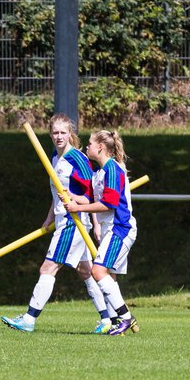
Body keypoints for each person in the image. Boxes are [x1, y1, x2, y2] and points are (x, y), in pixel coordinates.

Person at [1, 114, 113, 333]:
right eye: (55, 133)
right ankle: (107, 319)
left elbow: (91, 198)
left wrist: (85, 213)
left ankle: (29, 319)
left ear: (70, 133)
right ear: (50, 134)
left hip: (74, 223)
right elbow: (56, 193)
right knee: (85, 271)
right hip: (62, 219)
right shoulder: (54, 156)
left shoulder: (78, 160)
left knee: (48, 267)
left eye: (63, 132)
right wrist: (49, 217)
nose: (59, 137)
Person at [64, 130, 139, 336]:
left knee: (98, 272)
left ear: (100, 148)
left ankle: (125, 317)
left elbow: (108, 204)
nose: (86, 147)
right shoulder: (99, 173)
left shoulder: (113, 170)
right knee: (109, 277)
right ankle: (119, 322)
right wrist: (73, 198)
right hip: (109, 230)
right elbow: (92, 200)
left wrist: (77, 209)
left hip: (120, 229)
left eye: (89, 143)